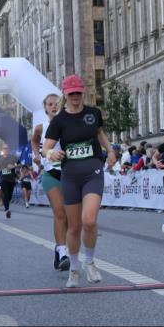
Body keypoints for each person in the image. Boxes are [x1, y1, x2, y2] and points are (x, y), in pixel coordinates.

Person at [44, 76, 117, 287]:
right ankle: (74, 269)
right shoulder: (59, 120)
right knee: (74, 227)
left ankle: (91, 262)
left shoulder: (93, 114)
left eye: (78, 93)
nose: (75, 97)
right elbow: (46, 147)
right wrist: (51, 154)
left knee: (90, 220)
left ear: (83, 92)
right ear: (65, 94)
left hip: (92, 170)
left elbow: (100, 134)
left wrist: (110, 150)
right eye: (71, 93)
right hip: (70, 176)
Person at [33, 93, 71, 271]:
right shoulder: (41, 127)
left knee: (70, 218)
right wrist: (37, 155)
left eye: (57, 104)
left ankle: (59, 248)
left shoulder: (69, 125)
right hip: (51, 173)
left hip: (70, 173)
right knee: (60, 213)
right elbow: (34, 141)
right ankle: (63, 252)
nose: (54, 106)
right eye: (50, 104)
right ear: (45, 108)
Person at [0, 144, 20, 219]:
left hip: (11, 179)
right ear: (2, 150)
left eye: (7, 148)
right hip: (3, 179)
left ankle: (5, 203)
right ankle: (7, 210)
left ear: (8, 149)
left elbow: (20, 164)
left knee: (9, 195)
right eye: (4, 148)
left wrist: (13, 166)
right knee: (5, 193)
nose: (5, 150)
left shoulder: (13, 157)